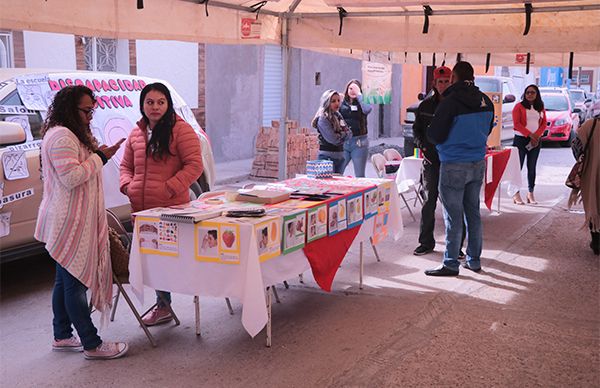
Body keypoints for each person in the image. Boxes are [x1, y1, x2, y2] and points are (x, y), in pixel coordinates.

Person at [35, 85, 128, 360]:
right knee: (75, 285)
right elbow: (72, 177)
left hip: (72, 219)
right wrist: (101, 157)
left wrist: (100, 153)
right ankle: (91, 343)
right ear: (69, 108)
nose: (90, 115)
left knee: (64, 283)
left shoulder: (70, 133)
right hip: (69, 221)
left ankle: (62, 335)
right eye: (86, 110)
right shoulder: (62, 136)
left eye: (93, 110)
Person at [120, 82, 203, 325]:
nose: (155, 107)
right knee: (151, 261)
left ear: (168, 104)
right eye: (150, 102)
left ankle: (164, 305)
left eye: (160, 102)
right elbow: (125, 166)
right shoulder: (136, 133)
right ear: (142, 105)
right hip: (141, 210)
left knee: (165, 261)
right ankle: (163, 305)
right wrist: (128, 186)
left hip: (169, 209)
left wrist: (169, 188)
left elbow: (194, 166)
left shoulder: (181, 130)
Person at [425, 61, 494, 276]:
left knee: (453, 216)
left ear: (454, 77)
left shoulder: (450, 101)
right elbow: (490, 126)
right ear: (472, 77)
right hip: (477, 162)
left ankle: (451, 263)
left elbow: (435, 135)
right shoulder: (486, 100)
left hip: (454, 163)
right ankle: (474, 260)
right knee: (473, 213)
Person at [511, 84, 548, 205]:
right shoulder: (518, 107)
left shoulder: (540, 107)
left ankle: (530, 193)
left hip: (536, 141)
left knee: (532, 168)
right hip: (521, 140)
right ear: (524, 94)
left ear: (537, 94)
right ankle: (515, 193)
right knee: (518, 168)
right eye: (527, 92)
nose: (530, 94)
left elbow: (543, 123)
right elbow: (517, 124)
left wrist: (536, 135)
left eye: (532, 92)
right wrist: (530, 135)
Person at [570, 117, 599, 255]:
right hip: (592, 171)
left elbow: (576, 145)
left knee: (594, 205)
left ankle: (597, 241)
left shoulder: (591, 124)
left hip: (592, 172)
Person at [312, 89, 352, 174]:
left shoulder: (338, 115)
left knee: (338, 185)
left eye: (338, 100)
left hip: (340, 157)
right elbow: (334, 139)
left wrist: (342, 134)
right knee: (328, 185)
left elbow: (349, 133)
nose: (337, 103)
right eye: (333, 101)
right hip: (326, 158)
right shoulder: (323, 118)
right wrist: (343, 134)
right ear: (327, 102)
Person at [339, 79, 372, 177]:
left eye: (356, 89)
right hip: (344, 142)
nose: (353, 91)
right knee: (337, 172)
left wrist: (359, 95)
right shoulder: (342, 102)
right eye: (351, 88)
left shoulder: (363, 102)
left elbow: (367, 109)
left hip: (359, 143)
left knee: (360, 176)